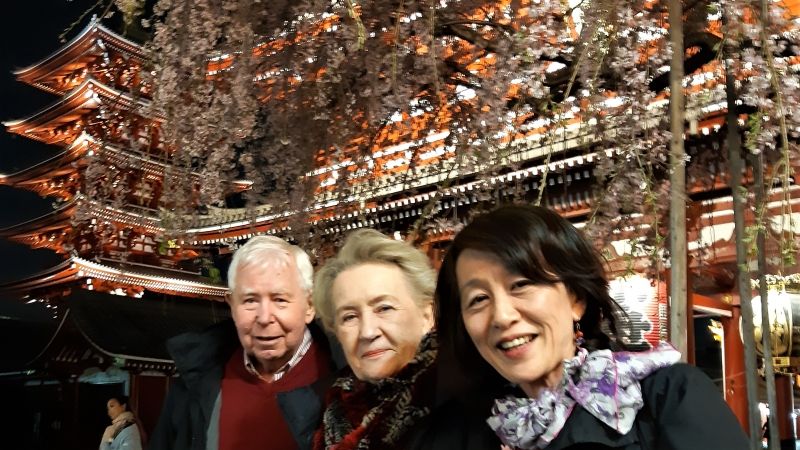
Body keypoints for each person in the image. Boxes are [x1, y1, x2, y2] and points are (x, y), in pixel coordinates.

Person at [435, 205, 750, 450]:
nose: (501, 316)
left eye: (521, 284)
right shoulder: (475, 430)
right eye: (477, 299)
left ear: (576, 300)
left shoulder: (667, 396)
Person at [149, 236, 343, 450]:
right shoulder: (196, 382)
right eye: (250, 301)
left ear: (309, 305)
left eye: (280, 300)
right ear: (231, 305)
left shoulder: (346, 381)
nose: (264, 317)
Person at [311, 229, 439, 450]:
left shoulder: (464, 406)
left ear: (427, 315)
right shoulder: (332, 414)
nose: (367, 332)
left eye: (384, 308)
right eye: (349, 317)